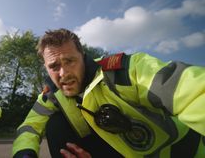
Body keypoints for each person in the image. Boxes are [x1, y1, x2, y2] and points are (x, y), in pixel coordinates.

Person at [12, 28, 205, 158]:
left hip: (180, 151)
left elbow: (192, 91)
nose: (63, 73)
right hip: (124, 151)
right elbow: (30, 127)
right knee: (56, 125)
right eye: (54, 66)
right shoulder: (51, 95)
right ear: (45, 68)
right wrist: (24, 155)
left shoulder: (123, 70)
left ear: (83, 57)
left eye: (70, 61)